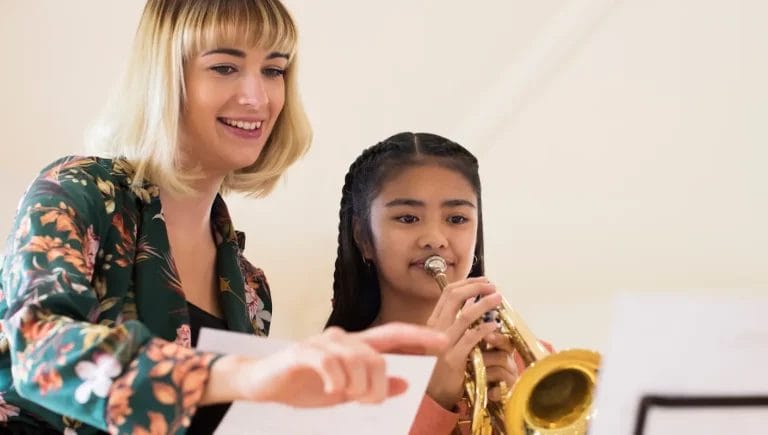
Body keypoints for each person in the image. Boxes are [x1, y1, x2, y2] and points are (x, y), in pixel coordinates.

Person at [0, 3, 446, 434]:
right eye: (225, 67)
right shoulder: (76, 191)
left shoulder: (252, 288)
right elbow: (39, 348)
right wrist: (246, 374)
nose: (256, 97)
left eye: (273, 70)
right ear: (166, 78)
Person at [326, 132, 553, 434]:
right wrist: (434, 399)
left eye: (457, 219)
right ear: (362, 237)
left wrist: (523, 417)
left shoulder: (533, 361)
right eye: (407, 218)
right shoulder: (329, 376)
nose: (435, 238)